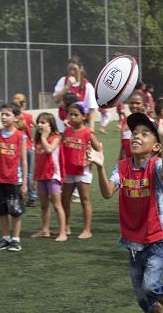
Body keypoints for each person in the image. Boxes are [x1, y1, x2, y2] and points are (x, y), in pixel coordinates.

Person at [87, 112, 163, 313]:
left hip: (157, 238)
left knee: (151, 286)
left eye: (145, 134)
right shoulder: (122, 167)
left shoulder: (156, 165)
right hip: (133, 241)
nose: (136, 136)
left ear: (156, 147)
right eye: (134, 133)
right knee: (143, 299)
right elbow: (107, 192)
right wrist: (99, 166)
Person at [0, 103, 28, 253]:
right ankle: (5, 238)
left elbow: (24, 161)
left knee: (15, 211)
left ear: (16, 117)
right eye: (2, 114)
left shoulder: (20, 136)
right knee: (2, 211)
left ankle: (15, 240)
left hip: (14, 181)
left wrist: (24, 182)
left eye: (7, 114)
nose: (4, 117)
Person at [61, 102, 101, 239]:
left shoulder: (87, 132)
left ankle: (87, 230)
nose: (72, 117)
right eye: (70, 114)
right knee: (64, 200)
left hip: (82, 171)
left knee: (85, 200)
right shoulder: (66, 131)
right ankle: (65, 226)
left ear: (84, 117)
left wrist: (90, 159)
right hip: (68, 171)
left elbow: (98, 148)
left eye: (76, 115)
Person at [31, 112, 67, 242]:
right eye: (39, 122)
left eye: (43, 122)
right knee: (44, 206)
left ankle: (62, 232)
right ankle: (45, 230)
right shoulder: (38, 139)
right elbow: (37, 160)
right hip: (41, 177)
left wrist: (44, 137)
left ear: (50, 125)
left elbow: (49, 150)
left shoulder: (56, 137)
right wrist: (34, 178)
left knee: (57, 205)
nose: (40, 125)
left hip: (53, 176)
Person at [53, 56, 98, 131]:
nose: (72, 72)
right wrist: (67, 87)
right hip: (62, 124)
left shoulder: (87, 86)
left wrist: (91, 129)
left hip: (79, 127)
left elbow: (91, 110)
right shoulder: (63, 80)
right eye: (70, 69)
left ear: (81, 69)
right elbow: (56, 100)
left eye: (74, 69)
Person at [13, 93, 37, 207]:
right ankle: (32, 196)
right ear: (24, 104)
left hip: (18, 148)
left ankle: (20, 195)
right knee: (29, 173)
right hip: (29, 146)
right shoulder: (28, 116)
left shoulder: (13, 117)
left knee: (19, 171)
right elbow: (37, 127)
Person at [119, 91, 147, 160]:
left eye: (137, 103)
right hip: (128, 161)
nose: (134, 105)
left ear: (144, 105)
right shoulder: (125, 121)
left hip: (143, 162)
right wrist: (120, 159)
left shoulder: (148, 122)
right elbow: (123, 144)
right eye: (132, 103)